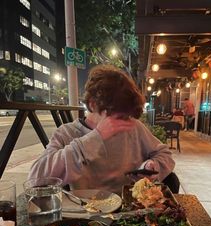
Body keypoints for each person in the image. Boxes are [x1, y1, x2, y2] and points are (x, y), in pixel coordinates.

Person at [28, 64, 175, 195]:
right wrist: (95, 138)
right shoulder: (67, 133)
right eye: (118, 117)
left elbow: (165, 155)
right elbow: (35, 178)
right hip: (89, 217)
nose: (125, 123)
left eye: (127, 116)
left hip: (130, 211)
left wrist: (151, 166)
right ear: (93, 105)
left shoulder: (133, 126)